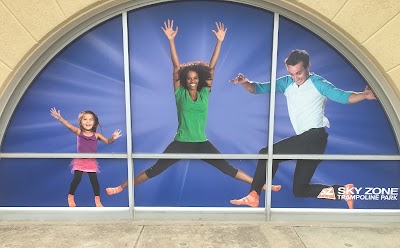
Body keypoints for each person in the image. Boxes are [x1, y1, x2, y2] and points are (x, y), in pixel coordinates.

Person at [106, 19, 280, 196]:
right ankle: (120, 187)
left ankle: (262, 185)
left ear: (200, 79)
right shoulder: (179, 93)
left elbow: (211, 68)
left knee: (227, 168)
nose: (192, 81)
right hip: (181, 142)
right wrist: (171, 41)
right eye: (189, 78)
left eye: (195, 78)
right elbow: (176, 67)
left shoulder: (205, 93)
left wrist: (219, 42)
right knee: (154, 170)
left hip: (201, 143)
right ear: (184, 80)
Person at [229, 49, 376, 209]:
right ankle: (342, 192)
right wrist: (245, 83)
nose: (295, 78)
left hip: (314, 137)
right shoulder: (286, 83)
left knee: (267, 154)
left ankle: (254, 195)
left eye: (298, 73)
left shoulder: (318, 83)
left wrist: (364, 95)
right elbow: (258, 89)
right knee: (300, 190)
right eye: (291, 74)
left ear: (308, 67)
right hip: (309, 141)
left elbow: (342, 96)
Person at [50, 107, 122, 207]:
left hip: (91, 162)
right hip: (80, 160)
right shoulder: (79, 132)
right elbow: (69, 126)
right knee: (77, 178)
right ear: (80, 121)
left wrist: (113, 138)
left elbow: (108, 142)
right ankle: (70, 197)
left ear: (95, 123)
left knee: (94, 181)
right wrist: (60, 118)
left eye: (90, 119)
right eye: (85, 119)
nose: (88, 122)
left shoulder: (96, 135)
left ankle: (97, 200)